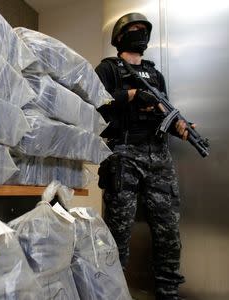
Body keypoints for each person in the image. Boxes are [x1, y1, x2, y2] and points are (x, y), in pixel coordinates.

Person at [95, 12, 191, 300]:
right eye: (134, 29)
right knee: (118, 231)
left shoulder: (155, 74)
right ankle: (112, 292)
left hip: (159, 156)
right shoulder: (108, 69)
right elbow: (94, 101)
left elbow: (163, 112)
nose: (141, 33)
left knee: (168, 231)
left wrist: (179, 127)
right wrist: (133, 95)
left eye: (144, 29)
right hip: (123, 153)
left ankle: (168, 291)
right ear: (121, 36)